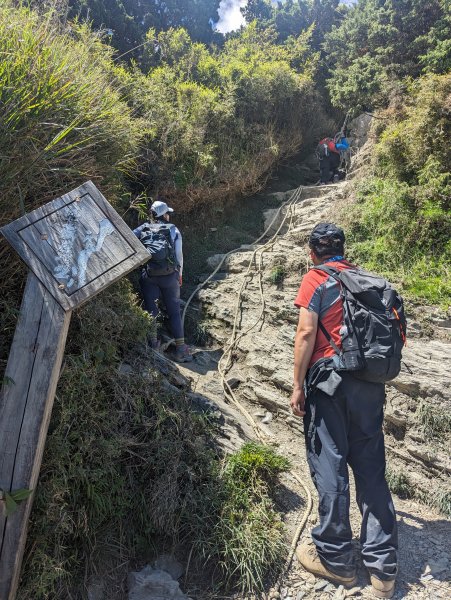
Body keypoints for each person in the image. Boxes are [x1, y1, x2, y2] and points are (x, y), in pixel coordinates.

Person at [290, 223, 397, 599]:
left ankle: (336, 560)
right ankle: (384, 570)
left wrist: (297, 385)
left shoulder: (315, 279)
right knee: (371, 469)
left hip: (329, 384)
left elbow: (306, 333)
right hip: (369, 385)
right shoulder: (367, 281)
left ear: (312, 251)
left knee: (330, 463)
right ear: (343, 249)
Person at [134, 200, 192, 363]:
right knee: (174, 311)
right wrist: (179, 274)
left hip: (149, 276)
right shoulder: (173, 229)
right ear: (164, 215)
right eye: (168, 213)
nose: (169, 216)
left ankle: (153, 346)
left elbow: (128, 241)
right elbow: (179, 254)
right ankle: (181, 350)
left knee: (151, 309)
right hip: (170, 276)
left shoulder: (142, 228)